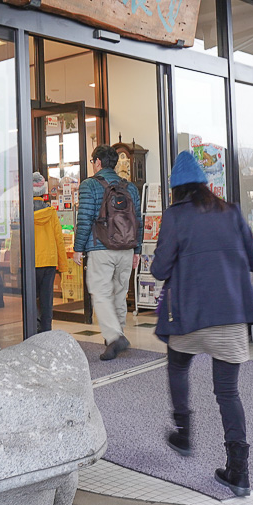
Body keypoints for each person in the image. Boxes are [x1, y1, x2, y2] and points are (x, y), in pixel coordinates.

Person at [151, 151, 253, 497]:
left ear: (176, 190)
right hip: (230, 317)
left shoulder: (174, 217)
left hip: (189, 316)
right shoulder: (230, 211)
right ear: (203, 185)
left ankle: (183, 432)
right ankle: (238, 471)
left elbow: (158, 270)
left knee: (178, 365)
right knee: (227, 392)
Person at [73, 145, 143, 360]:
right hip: (126, 249)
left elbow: (84, 219)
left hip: (100, 248)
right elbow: (138, 221)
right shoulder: (130, 187)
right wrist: (137, 250)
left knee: (100, 292)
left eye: (93, 161)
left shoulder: (90, 185)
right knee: (119, 295)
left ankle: (114, 337)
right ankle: (118, 335)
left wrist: (78, 249)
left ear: (98, 162)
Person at [31, 172, 68, 332]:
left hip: (31, 262)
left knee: (31, 299)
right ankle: (46, 331)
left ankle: (32, 329)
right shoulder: (51, 212)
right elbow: (59, 238)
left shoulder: (25, 213)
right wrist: (63, 265)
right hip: (49, 262)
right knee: (47, 299)